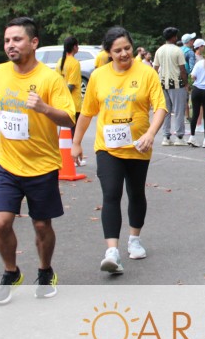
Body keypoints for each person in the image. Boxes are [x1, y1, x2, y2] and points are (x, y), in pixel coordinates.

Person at [0, 16, 76, 304]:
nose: (11, 45)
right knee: (1, 223)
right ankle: (11, 272)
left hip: (41, 166)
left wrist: (45, 108)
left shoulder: (50, 79)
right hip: (6, 163)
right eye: (7, 40)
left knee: (42, 226)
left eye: (17, 39)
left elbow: (69, 118)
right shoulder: (0, 73)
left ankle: (45, 271)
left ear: (34, 43)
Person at [70, 27, 167, 275]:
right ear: (108, 53)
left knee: (136, 193)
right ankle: (111, 252)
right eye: (117, 50)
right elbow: (87, 112)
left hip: (138, 146)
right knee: (111, 193)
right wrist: (76, 142)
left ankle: (134, 239)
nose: (124, 54)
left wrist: (150, 134)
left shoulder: (146, 73)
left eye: (127, 48)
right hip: (108, 147)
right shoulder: (98, 76)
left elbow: (160, 107)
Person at [152, 27, 188, 146]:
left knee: (165, 111)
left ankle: (166, 137)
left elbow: (155, 68)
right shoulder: (178, 51)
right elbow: (182, 69)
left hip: (162, 83)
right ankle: (179, 136)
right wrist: (186, 83)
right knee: (178, 110)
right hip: (176, 83)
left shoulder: (159, 50)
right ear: (173, 37)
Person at [58, 36, 83, 133]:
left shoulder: (60, 61)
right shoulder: (75, 63)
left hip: (62, 103)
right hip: (73, 103)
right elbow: (71, 86)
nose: (78, 47)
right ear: (74, 47)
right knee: (73, 132)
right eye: (77, 45)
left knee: (64, 131)